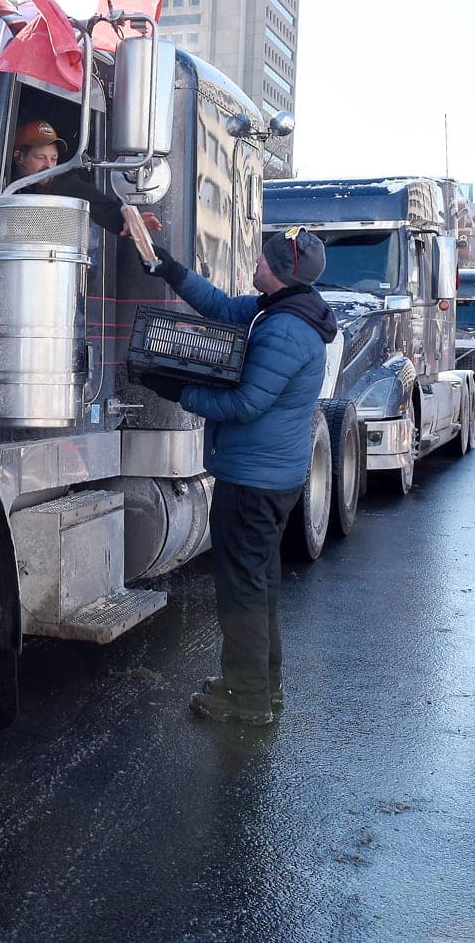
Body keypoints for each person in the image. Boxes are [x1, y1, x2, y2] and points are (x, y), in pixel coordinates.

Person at [132, 226, 337, 725]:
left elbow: (246, 403)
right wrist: (170, 269)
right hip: (269, 475)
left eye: (264, 260)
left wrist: (177, 391)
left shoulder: (286, 330)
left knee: (242, 590)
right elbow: (223, 308)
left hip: (254, 481)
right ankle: (263, 685)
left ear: (281, 272)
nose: (257, 264)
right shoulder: (284, 309)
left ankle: (246, 698)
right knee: (259, 584)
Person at [7, 119, 158, 237]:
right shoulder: (1, 182)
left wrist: (125, 221)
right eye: (41, 157)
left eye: (53, 159)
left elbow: (102, 206)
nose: (49, 165)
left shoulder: (66, 184)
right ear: (18, 157)